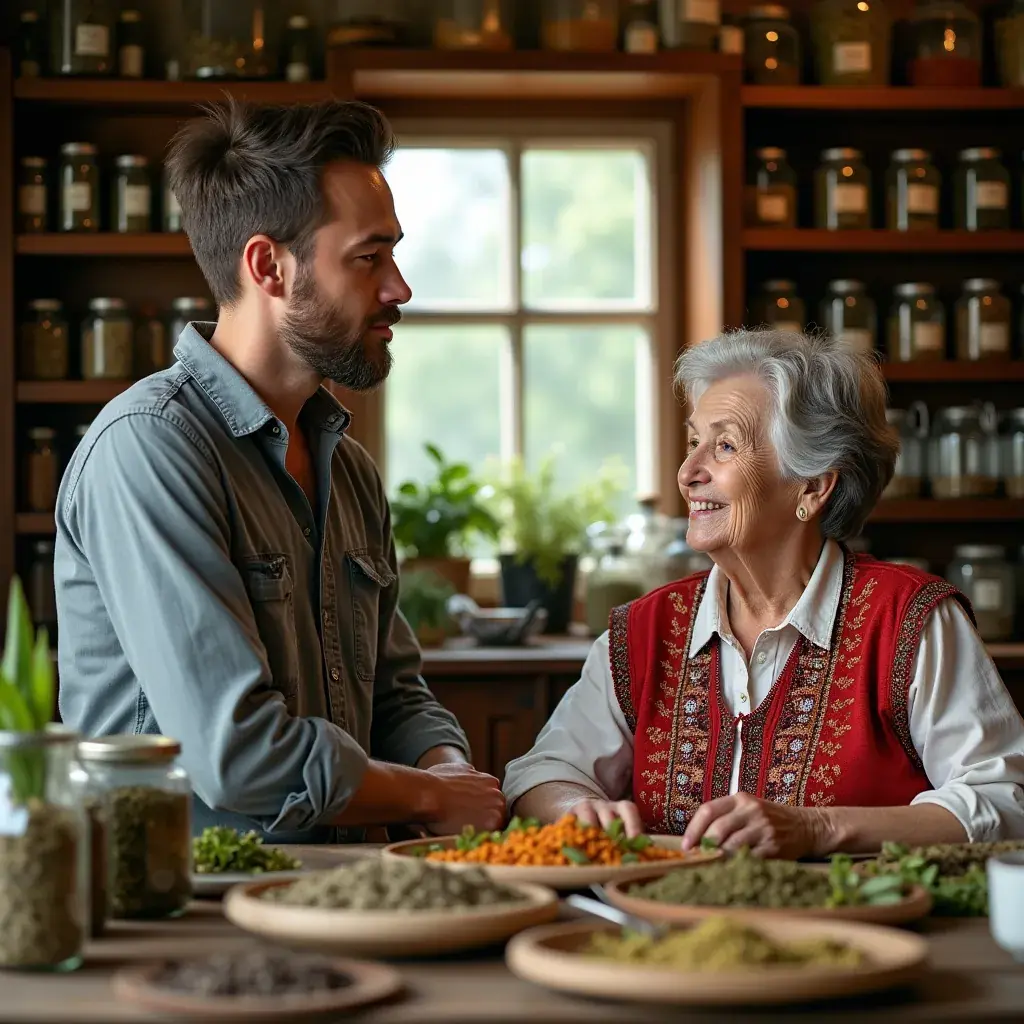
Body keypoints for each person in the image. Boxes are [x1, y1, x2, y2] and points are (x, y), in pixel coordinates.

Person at [55, 99, 505, 842]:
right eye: (368, 258)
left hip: (344, 889)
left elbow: (394, 695)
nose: (399, 288)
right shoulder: (150, 448)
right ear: (269, 265)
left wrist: (447, 768)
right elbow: (236, 754)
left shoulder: (350, 469)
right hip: (196, 908)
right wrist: (428, 798)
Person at [503, 329, 1024, 855]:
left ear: (813, 486)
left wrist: (818, 829)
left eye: (724, 446)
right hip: (662, 932)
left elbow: (1006, 799)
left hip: (851, 931)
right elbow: (542, 772)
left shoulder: (908, 621)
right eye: (693, 443)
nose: (688, 473)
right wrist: (575, 807)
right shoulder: (644, 630)